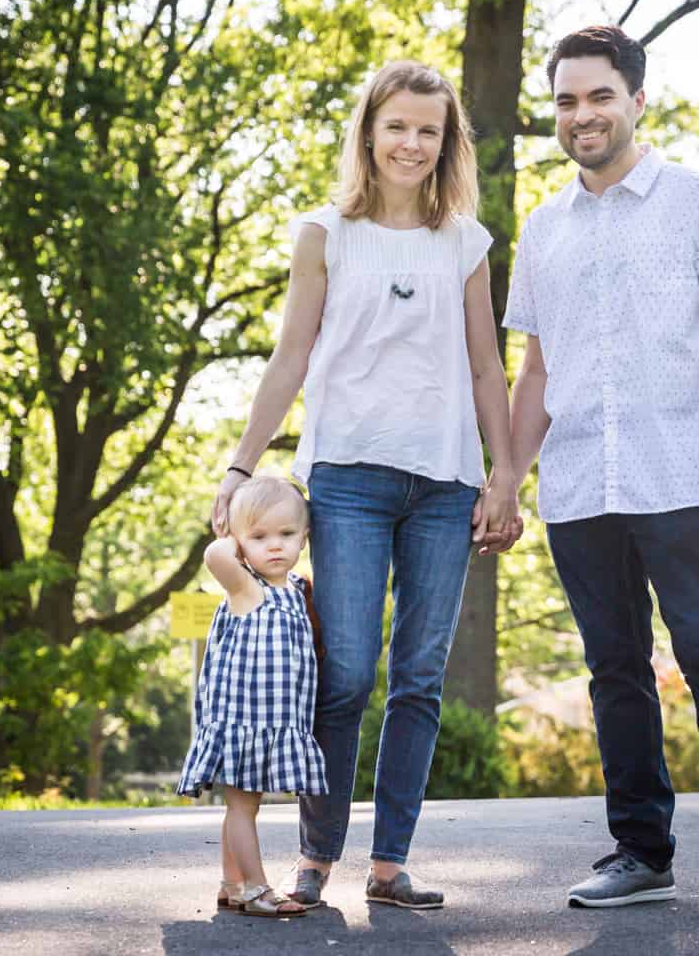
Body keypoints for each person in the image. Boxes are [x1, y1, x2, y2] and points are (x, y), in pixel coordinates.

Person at [210, 60, 522, 911]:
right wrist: (242, 465)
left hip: (446, 484)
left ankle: (390, 865)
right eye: (398, 127)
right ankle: (318, 852)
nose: (412, 144)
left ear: (446, 141)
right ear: (370, 132)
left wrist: (504, 480)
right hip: (346, 478)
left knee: (419, 678)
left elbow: (487, 366)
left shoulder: (466, 242)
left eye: (429, 130)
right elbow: (291, 357)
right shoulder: (325, 233)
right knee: (344, 674)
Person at [505, 25, 699, 920]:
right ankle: (640, 852)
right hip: (582, 485)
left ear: (635, 101)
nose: (581, 114)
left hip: (681, 476)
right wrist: (507, 475)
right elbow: (537, 371)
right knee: (614, 671)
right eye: (565, 100)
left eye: (598, 96)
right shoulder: (542, 229)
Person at [177, 475, 327, 918]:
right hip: (244, 725)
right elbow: (213, 553)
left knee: (243, 807)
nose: (274, 546)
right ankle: (255, 889)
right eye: (259, 537)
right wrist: (233, 539)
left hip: (275, 725)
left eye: (286, 534)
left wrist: (251, 537)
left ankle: (231, 882)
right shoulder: (247, 588)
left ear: (304, 537)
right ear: (241, 545)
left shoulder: (297, 591)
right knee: (243, 809)